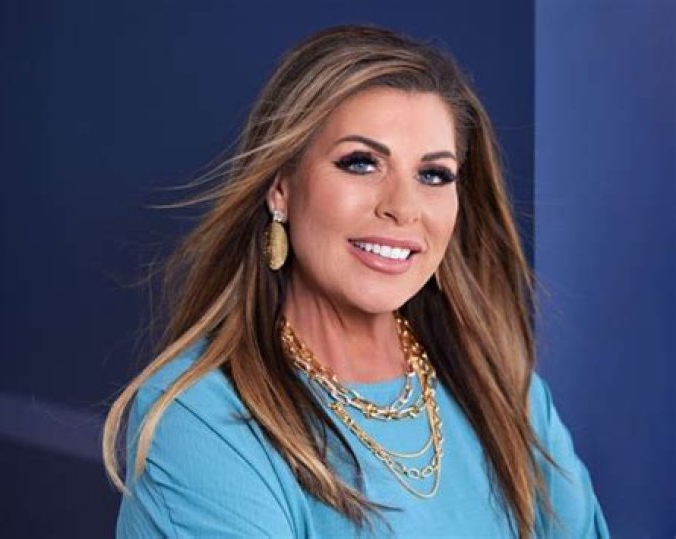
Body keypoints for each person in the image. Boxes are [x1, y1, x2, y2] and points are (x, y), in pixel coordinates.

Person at [102, 25, 609, 538]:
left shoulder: (502, 389)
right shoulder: (202, 418)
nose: (403, 208)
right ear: (280, 188)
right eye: (361, 163)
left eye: (433, 175)